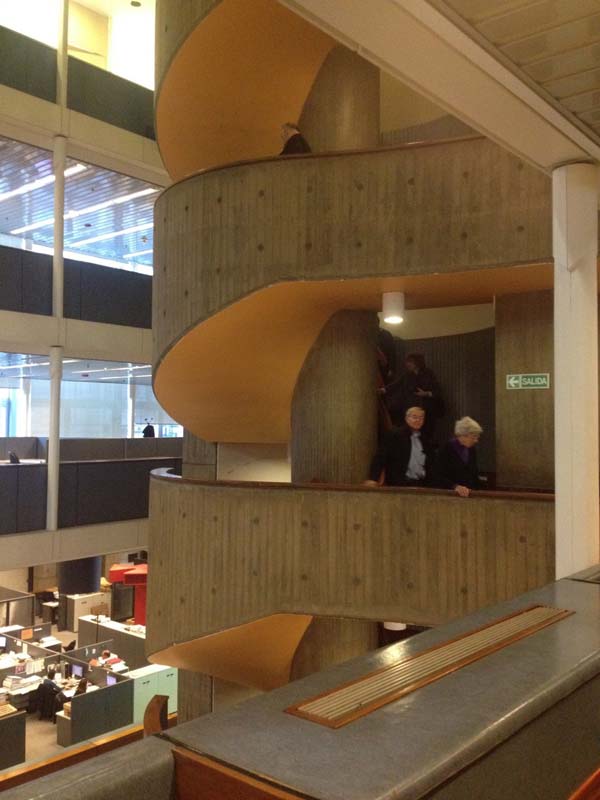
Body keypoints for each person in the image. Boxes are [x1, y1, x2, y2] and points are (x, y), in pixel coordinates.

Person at [364, 407, 434, 487]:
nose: (418, 420)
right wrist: (373, 478)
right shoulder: (395, 434)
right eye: (414, 417)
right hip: (399, 483)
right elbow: (381, 456)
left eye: (421, 418)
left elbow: (430, 464)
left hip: (420, 484)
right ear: (407, 418)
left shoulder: (425, 440)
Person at [384, 353, 444, 438]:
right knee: (410, 434)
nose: (407, 364)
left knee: (426, 435)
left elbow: (438, 391)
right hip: (411, 410)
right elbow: (396, 384)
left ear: (417, 363)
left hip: (426, 410)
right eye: (407, 362)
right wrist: (383, 390)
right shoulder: (407, 375)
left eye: (410, 362)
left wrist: (426, 393)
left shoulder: (428, 373)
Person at [433, 416, 483, 497]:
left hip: (469, 495)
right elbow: (437, 475)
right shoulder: (447, 448)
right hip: (450, 496)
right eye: (474, 437)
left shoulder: (471, 450)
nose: (476, 440)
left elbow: (474, 475)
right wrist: (455, 486)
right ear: (464, 435)